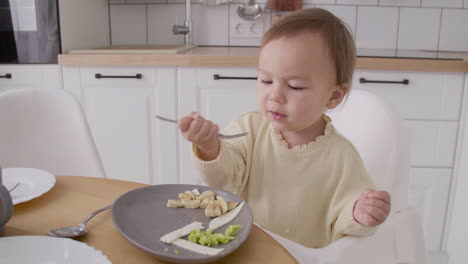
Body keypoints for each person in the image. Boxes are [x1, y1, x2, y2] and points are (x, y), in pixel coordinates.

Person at [177, 8, 391, 248]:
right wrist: (209, 146)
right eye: (266, 81)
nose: (275, 96)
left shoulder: (342, 158)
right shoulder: (249, 128)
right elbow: (224, 178)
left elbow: (345, 220)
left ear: (333, 96)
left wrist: (360, 214)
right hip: (242, 248)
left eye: (295, 86)